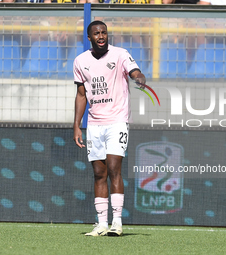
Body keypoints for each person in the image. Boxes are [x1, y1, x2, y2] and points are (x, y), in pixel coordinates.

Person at [73, 20, 146, 237]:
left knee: (114, 168)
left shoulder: (120, 54)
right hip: (95, 123)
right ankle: (102, 224)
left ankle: (117, 222)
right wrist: (77, 125)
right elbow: (81, 94)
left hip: (117, 120)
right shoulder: (80, 61)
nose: (101, 36)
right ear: (90, 38)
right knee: (98, 173)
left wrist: (139, 78)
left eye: (104, 32)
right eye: (97, 33)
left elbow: (135, 72)